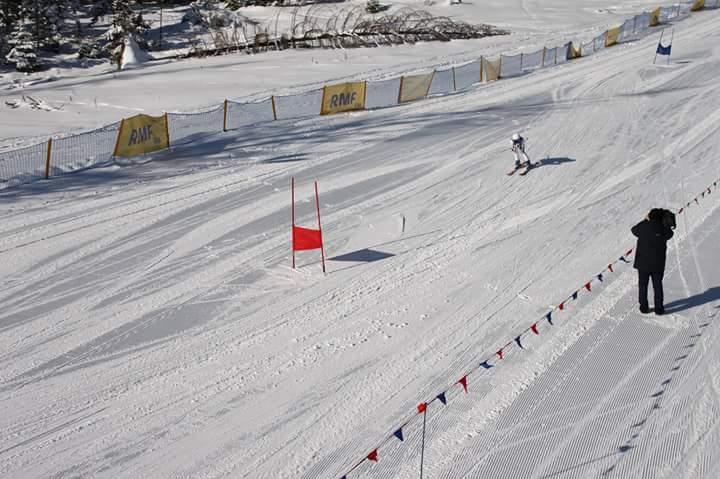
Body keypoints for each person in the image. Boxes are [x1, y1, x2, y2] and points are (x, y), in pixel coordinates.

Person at [631, 209, 674, 315]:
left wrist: (645, 220)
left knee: (643, 285)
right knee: (658, 286)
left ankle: (643, 307)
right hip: (658, 264)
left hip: (642, 263)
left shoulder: (643, 226)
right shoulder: (663, 228)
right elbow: (670, 233)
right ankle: (659, 308)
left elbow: (634, 230)